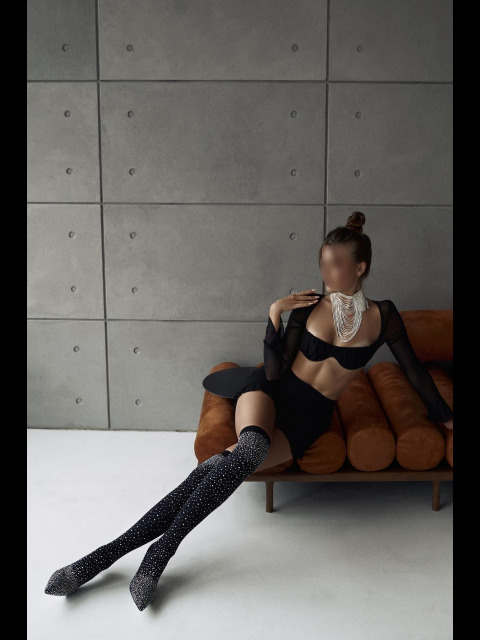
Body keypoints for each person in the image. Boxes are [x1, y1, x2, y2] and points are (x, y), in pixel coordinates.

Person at [44, 210, 453, 610]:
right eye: (323, 263)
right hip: (270, 394)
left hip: (309, 418)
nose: (326, 273)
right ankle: (158, 554)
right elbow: (274, 372)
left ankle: (101, 559)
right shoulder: (307, 307)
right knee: (252, 450)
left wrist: (447, 418)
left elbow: (415, 373)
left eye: (336, 264)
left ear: (360, 267)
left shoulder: (383, 315)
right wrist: (275, 314)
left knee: (217, 470)